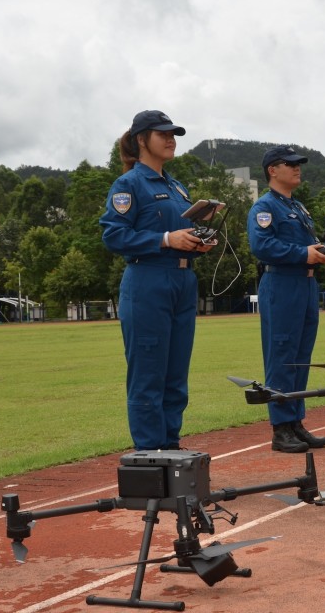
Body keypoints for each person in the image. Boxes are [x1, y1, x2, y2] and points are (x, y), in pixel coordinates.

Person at [100, 110, 215, 453]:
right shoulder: (129, 184)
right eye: (162, 133)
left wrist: (197, 243)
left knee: (175, 376)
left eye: (173, 134)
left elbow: (182, 235)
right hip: (148, 280)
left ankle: (170, 446)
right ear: (140, 139)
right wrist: (166, 239)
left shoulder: (176, 185)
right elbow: (114, 235)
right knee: (149, 375)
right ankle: (151, 453)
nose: (171, 139)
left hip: (182, 279)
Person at [247, 145, 325, 452]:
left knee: (300, 358)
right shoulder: (265, 208)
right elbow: (262, 246)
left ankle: (295, 420)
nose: (297, 168)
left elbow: (304, 245)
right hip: (282, 283)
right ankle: (280, 427)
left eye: (298, 164)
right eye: (290, 164)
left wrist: (320, 252)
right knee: (282, 355)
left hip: (306, 285)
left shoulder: (297, 207)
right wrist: (303, 253)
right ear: (272, 170)